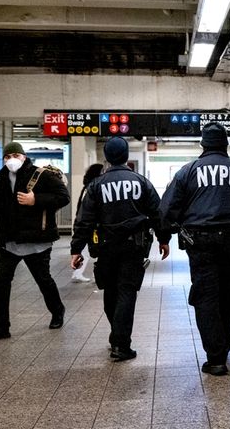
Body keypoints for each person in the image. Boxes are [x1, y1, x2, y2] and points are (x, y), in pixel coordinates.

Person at [159, 122, 230, 376]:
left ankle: (215, 357)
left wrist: (168, 233)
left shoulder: (188, 171)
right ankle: (224, 346)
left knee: (205, 296)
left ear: (203, 144)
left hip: (199, 243)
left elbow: (166, 209)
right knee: (228, 294)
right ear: (225, 144)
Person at [70, 137, 171, 361]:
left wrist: (77, 249)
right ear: (126, 156)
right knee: (126, 292)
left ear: (106, 157)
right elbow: (157, 213)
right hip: (133, 246)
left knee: (111, 292)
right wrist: (164, 239)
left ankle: (117, 336)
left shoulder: (96, 186)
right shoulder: (141, 182)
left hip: (105, 247)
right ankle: (120, 344)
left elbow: (84, 219)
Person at [0, 142, 70, 342]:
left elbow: (63, 197)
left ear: (23, 156)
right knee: (1, 283)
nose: (11, 159)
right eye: (7, 156)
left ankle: (57, 311)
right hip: (10, 242)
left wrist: (36, 199)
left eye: (15, 155)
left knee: (43, 280)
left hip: (36, 241)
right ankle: (1, 327)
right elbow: (0, 210)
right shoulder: (1, 178)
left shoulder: (40, 175)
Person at [71, 163, 104, 283]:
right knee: (89, 249)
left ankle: (79, 273)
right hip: (90, 225)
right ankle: (78, 272)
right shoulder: (92, 187)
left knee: (91, 249)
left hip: (86, 223)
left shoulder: (89, 186)